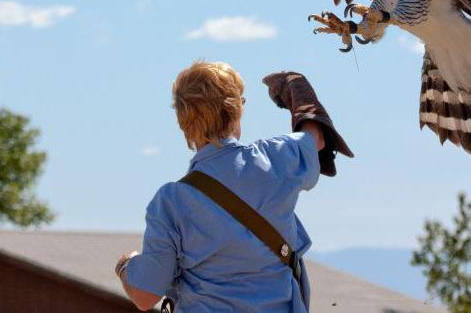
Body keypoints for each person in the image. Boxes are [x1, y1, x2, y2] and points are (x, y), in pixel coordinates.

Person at [114, 61, 352, 312]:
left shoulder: (171, 202)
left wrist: (125, 267)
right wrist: (298, 90)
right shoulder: (275, 159)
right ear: (237, 110)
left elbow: (144, 296)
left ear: (183, 121)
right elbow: (316, 137)